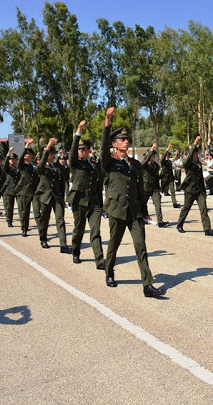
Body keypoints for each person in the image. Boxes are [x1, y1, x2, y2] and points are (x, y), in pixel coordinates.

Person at [101, 107, 165, 297]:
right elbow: (103, 147)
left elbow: (139, 190)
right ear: (114, 144)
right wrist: (107, 121)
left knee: (141, 247)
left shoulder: (135, 164)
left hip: (135, 211)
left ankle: (147, 285)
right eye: (122, 139)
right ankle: (109, 271)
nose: (126, 141)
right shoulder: (109, 162)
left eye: (127, 139)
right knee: (114, 243)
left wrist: (144, 211)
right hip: (117, 209)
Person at [68, 120, 105, 268]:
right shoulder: (75, 163)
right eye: (80, 149)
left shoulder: (95, 165)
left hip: (94, 202)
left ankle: (99, 259)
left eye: (84, 149)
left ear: (89, 150)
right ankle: (76, 251)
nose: (81, 151)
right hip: (79, 201)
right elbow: (72, 151)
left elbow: (98, 186)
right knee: (79, 230)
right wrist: (78, 132)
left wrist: (101, 205)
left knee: (95, 230)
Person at [177, 135, 213, 236]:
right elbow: (189, 157)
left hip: (199, 190)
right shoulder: (187, 163)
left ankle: (207, 229)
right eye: (195, 153)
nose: (196, 154)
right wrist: (195, 142)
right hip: (190, 190)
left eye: (196, 153)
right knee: (186, 208)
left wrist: (204, 191)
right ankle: (179, 224)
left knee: (204, 209)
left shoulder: (198, 163)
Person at [142, 143, 169, 227]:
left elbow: (156, 177)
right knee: (143, 203)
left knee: (158, 204)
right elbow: (144, 162)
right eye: (152, 155)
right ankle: (143, 218)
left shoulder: (156, 165)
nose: (153, 157)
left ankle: (160, 221)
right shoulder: (144, 164)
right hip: (146, 187)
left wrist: (159, 187)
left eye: (153, 155)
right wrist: (151, 149)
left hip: (154, 188)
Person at [15, 143, 39, 237]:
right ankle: (24, 229)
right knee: (25, 211)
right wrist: (25, 148)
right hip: (25, 192)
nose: (26, 155)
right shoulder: (22, 166)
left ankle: (41, 232)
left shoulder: (34, 165)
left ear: (32, 156)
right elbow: (20, 160)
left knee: (37, 212)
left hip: (35, 191)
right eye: (25, 153)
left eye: (28, 154)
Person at [2, 149, 20, 227]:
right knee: (9, 206)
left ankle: (23, 223)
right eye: (10, 159)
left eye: (13, 159)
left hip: (18, 189)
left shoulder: (18, 168)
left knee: (21, 207)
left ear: (16, 160)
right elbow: (5, 165)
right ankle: (9, 220)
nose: (12, 160)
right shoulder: (8, 168)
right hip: (9, 190)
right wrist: (8, 154)